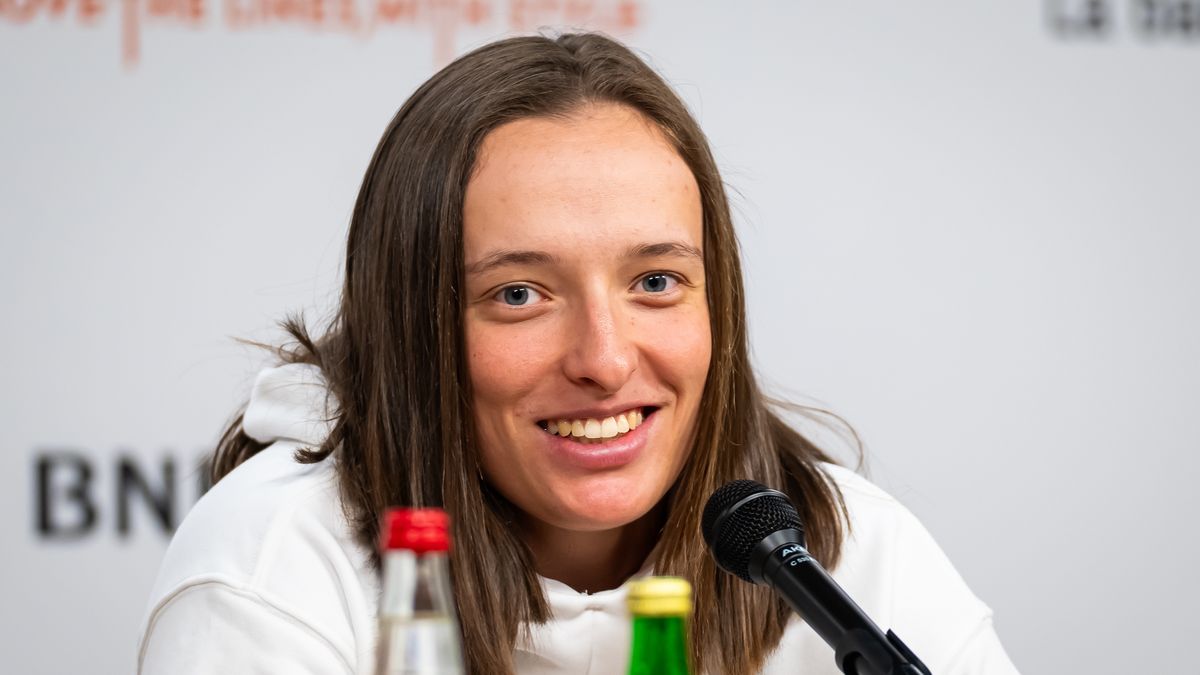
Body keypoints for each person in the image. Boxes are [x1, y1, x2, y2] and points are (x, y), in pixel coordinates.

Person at [137, 32, 1019, 675]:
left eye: (656, 282)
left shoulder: (844, 551)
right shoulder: (274, 566)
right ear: (414, 328)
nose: (603, 359)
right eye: (519, 295)